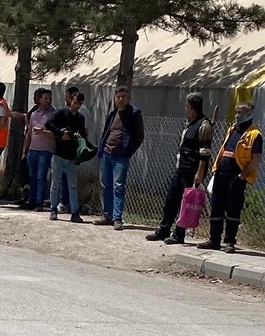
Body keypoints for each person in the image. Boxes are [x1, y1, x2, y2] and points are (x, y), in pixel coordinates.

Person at [147, 93, 214, 245]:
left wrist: (200, 173)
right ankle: (163, 229)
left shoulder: (204, 125)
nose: (185, 109)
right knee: (171, 200)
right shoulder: (190, 123)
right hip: (180, 169)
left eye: (186, 106)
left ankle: (179, 234)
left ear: (191, 107)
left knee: (185, 204)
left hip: (191, 171)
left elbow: (205, 152)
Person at [194, 102, 261, 253]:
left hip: (236, 177)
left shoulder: (254, 134)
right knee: (216, 208)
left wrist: (242, 176)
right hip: (221, 174)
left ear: (249, 114)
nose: (237, 115)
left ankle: (230, 241)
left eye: (240, 112)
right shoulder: (233, 129)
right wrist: (216, 170)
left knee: (233, 209)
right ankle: (214, 240)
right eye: (236, 112)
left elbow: (256, 159)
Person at [95, 86, 145, 230]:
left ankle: (118, 218)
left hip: (121, 156)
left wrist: (128, 152)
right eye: (118, 97)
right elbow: (106, 132)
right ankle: (107, 215)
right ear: (115, 98)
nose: (120, 99)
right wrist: (101, 149)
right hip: (107, 154)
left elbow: (139, 136)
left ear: (128, 98)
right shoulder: (113, 114)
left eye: (123, 96)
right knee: (106, 185)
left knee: (119, 187)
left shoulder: (134, 113)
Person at [45, 92, 87, 222]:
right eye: (75, 103)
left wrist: (77, 136)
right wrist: (60, 133)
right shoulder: (61, 113)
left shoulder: (80, 118)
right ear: (70, 101)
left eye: (79, 103)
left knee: (73, 186)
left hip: (71, 156)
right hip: (59, 154)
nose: (77, 106)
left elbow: (83, 134)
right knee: (55, 184)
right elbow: (48, 124)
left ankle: (74, 212)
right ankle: (53, 209)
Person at [23, 88, 57, 211]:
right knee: (32, 177)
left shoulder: (54, 115)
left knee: (41, 176)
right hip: (33, 149)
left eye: (50, 99)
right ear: (40, 100)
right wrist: (24, 151)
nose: (48, 101)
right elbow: (29, 134)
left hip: (45, 150)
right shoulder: (34, 114)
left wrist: (44, 132)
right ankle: (31, 200)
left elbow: (56, 133)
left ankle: (39, 202)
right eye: (45, 99)